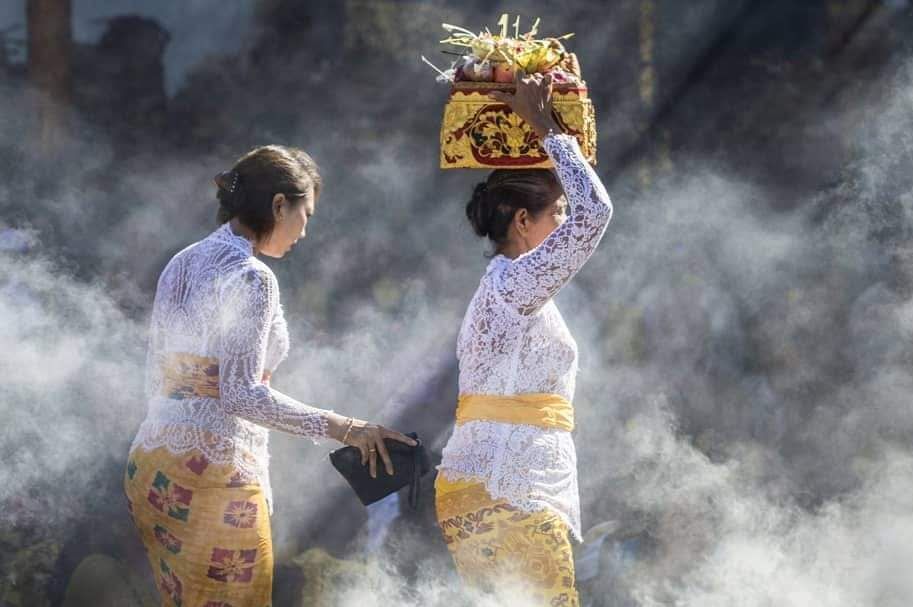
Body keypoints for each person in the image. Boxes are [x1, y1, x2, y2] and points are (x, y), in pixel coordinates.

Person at [123, 145, 415, 606]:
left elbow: (155, 377)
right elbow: (240, 396)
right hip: (212, 472)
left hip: (153, 466)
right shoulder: (251, 277)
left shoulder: (181, 261)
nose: (305, 230)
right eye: (307, 214)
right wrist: (347, 428)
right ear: (279, 205)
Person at [435, 72, 613, 606]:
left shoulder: (510, 286)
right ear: (522, 221)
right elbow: (596, 215)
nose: (565, 222)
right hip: (506, 484)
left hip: (489, 483)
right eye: (557, 213)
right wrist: (544, 126)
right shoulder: (513, 281)